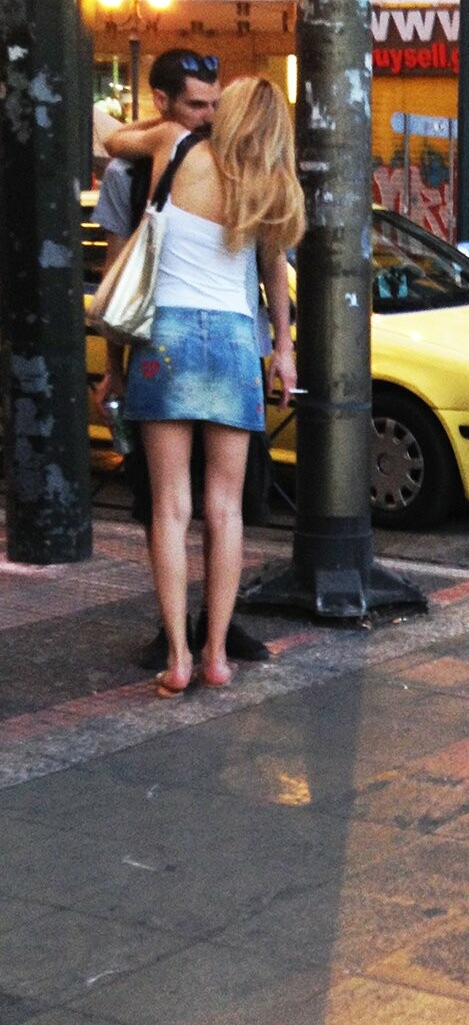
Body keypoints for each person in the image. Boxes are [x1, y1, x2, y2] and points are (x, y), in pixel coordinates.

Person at [99, 76, 303, 695]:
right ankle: (216, 655)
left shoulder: (174, 143)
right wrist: (284, 351)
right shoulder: (268, 184)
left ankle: (179, 658)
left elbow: (113, 141)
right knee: (225, 508)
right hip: (236, 344)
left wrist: (163, 118)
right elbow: (275, 277)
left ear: (225, 112)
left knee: (170, 507)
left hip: (168, 339)